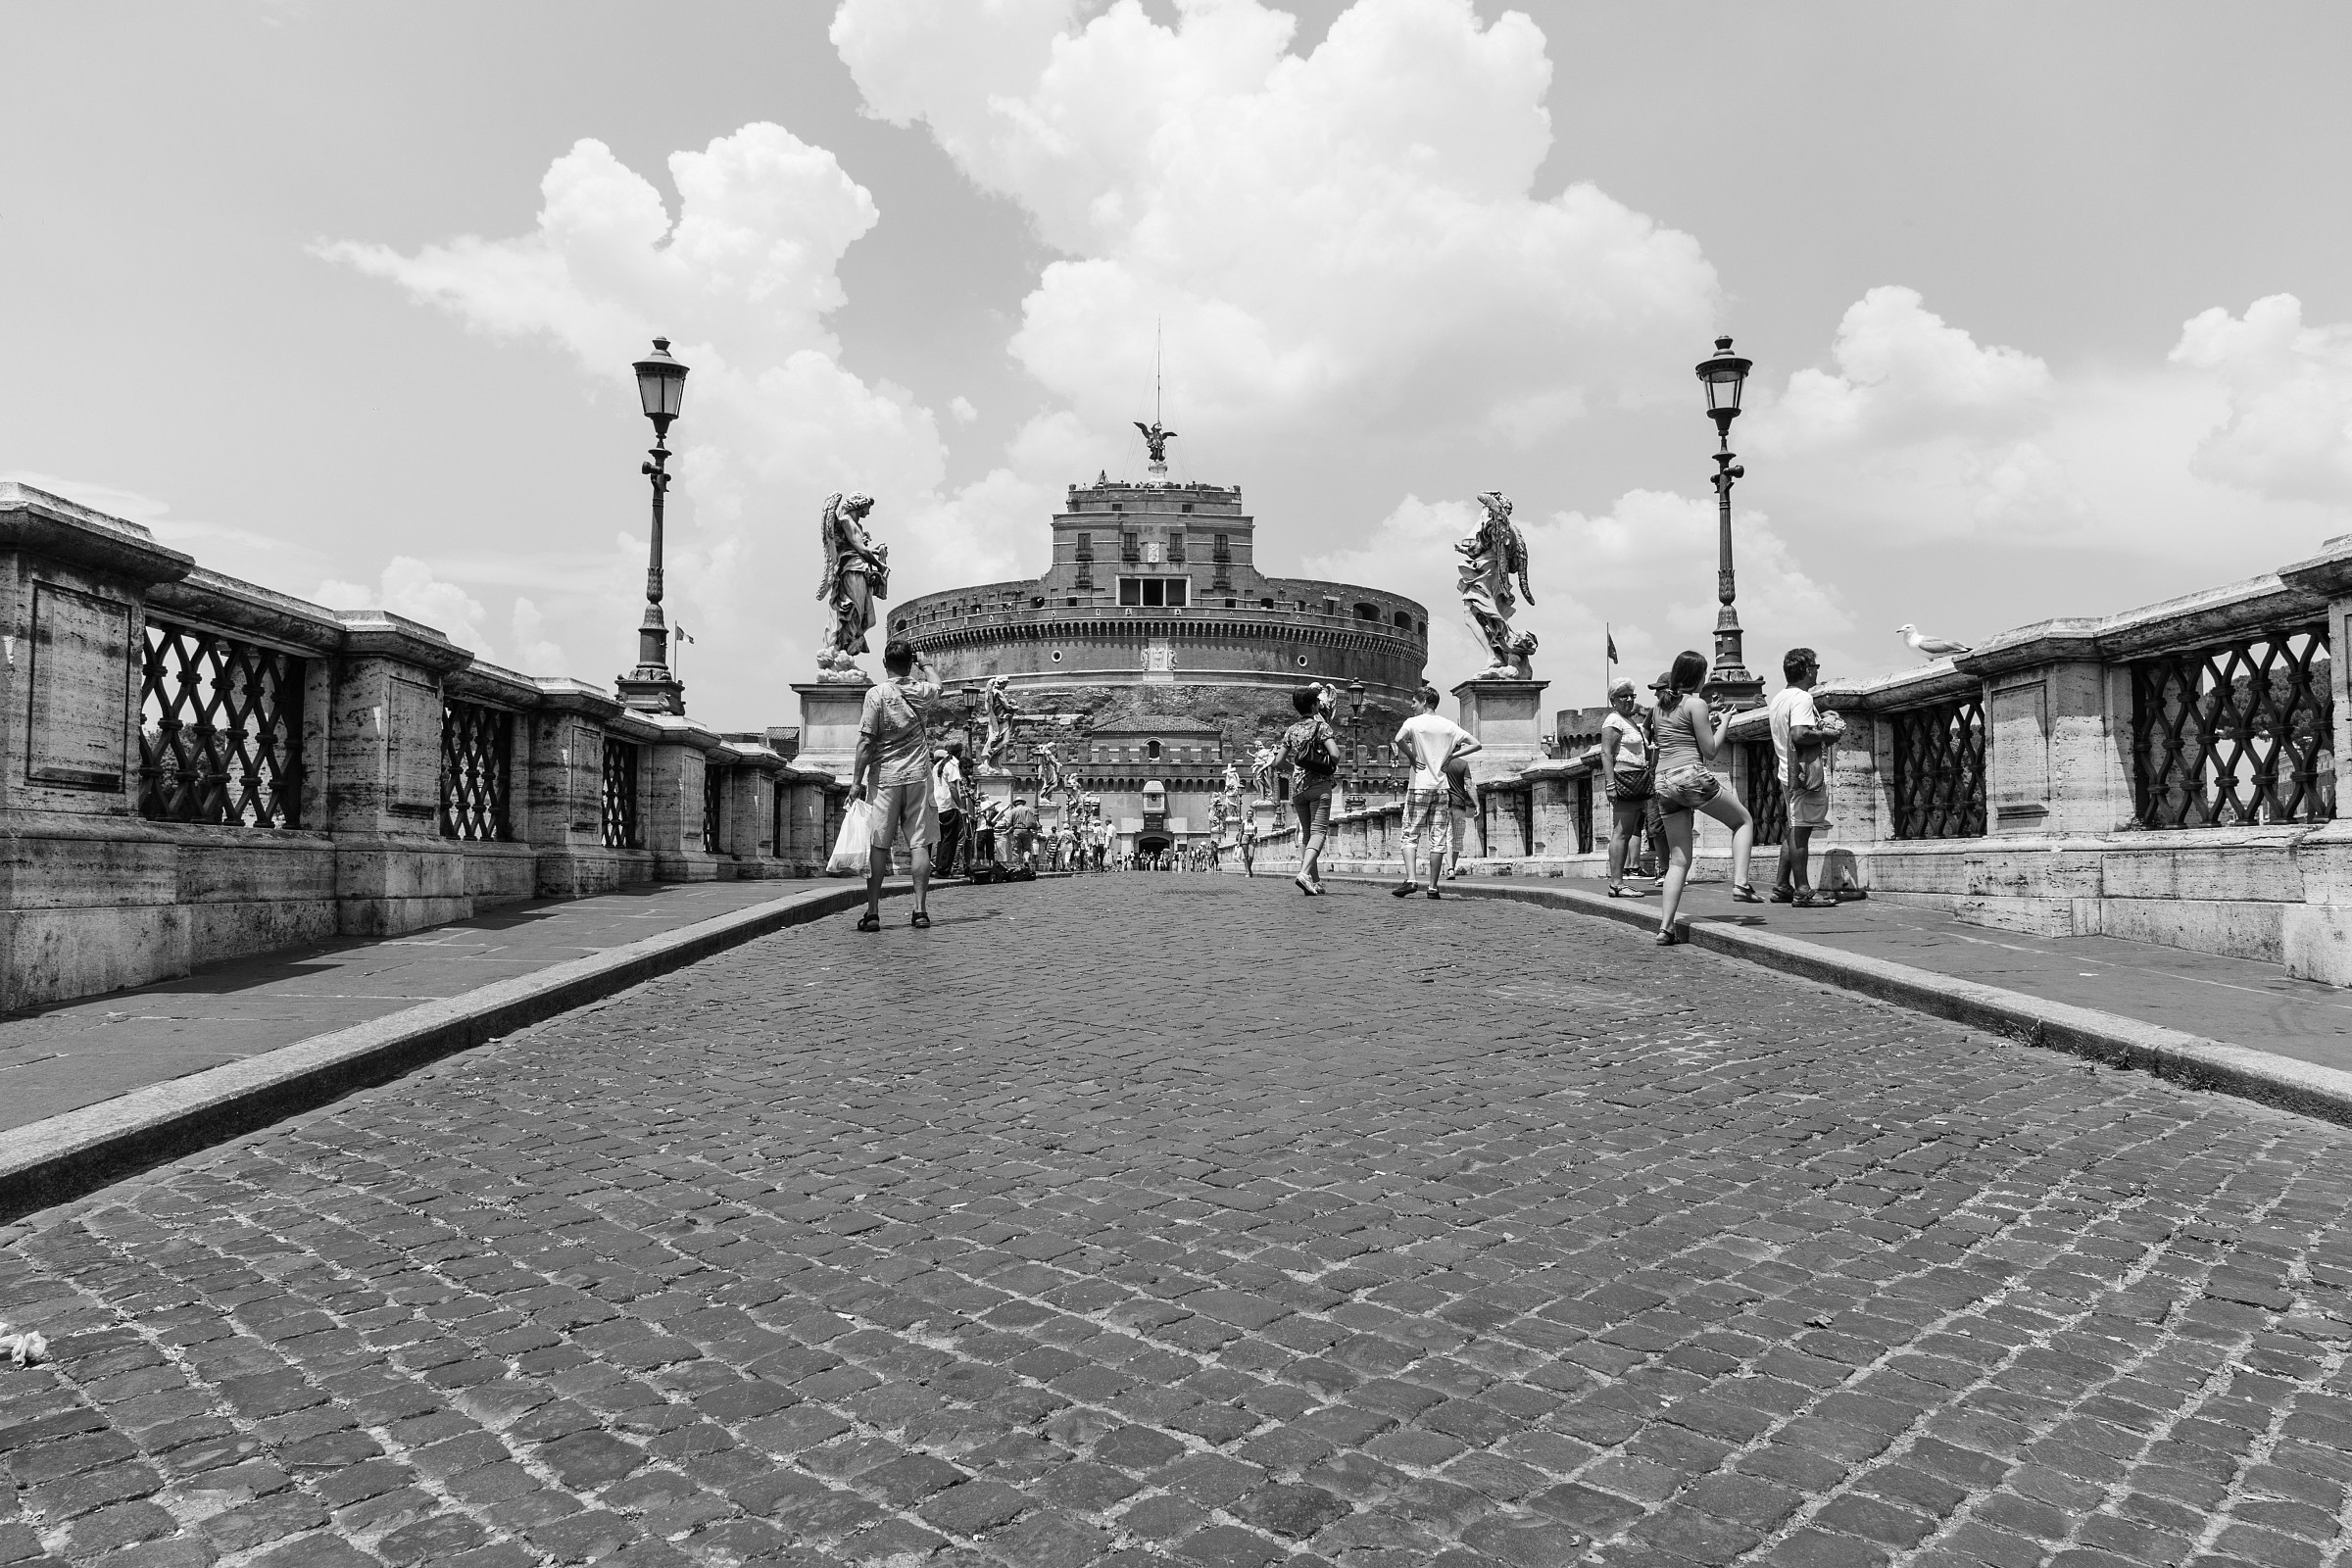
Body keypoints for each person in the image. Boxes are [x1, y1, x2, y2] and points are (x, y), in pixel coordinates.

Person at [1651, 649, 1761, 946]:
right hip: (1690, 777)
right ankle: (1741, 883)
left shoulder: (1659, 707)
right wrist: (1724, 721)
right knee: (1743, 821)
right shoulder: (1696, 703)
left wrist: (1708, 721)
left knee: (1677, 860)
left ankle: (1666, 927)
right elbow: (1710, 751)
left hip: (1663, 781)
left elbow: (1680, 734)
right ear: (1698, 677)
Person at [851, 639, 941, 931]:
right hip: (918, 777)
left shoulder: (877, 694)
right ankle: (920, 910)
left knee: (878, 846)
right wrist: (925, 664)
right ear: (910, 664)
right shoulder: (923, 690)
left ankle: (874, 911)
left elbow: (866, 741)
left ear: (884, 664)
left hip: (885, 778)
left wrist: (855, 782)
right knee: (919, 844)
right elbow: (938, 684)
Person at [1393, 684, 1479, 899]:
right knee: (1438, 838)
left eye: (1414, 702)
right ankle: (1432, 887)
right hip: (1442, 789)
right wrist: (1451, 756)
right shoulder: (1448, 726)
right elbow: (1476, 744)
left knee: (1410, 835)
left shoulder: (1413, 722)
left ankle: (1411, 879)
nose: (1412, 706)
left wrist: (1412, 757)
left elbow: (1397, 739)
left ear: (1424, 702)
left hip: (1419, 787)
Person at [1768, 648, 1836, 906]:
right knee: (1801, 831)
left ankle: (1782, 886)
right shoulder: (1803, 699)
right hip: (1805, 774)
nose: (1818, 670)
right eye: (1816, 666)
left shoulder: (1778, 698)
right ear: (1807, 670)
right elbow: (1799, 733)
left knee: (1793, 826)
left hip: (1787, 771)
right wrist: (1826, 735)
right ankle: (1803, 890)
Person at [1279, 684, 1343, 895]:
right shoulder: (1321, 727)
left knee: (1307, 835)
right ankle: (1304, 873)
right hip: (1319, 785)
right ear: (1315, 705)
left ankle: (1314, 881)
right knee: (1318, 833)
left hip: (1298, 789)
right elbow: (1335, 755)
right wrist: (1325, 767)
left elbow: (1278, 761)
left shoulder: (1291, 730)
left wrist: (1295, 769)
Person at [1599, 678, 1654, 898]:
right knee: (1621, 833)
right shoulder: (1613, 720)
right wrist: (1611, 784)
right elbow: (1606, 753)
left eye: (1632, 695)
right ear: (1613, 699)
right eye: (1624, 696)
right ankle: (1616, 883)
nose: (1629, 699)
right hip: (1625, 779)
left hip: (1636, 779)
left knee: (1627, 831)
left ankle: (1618, 882)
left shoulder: (1628, 720)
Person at [932, 739, 968, 879]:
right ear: (959, 752)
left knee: (942, 839)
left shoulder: (938, 765)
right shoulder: (952, 765)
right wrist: (961, 807)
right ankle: (944, 870)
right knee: (950, 840)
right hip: (949, 806)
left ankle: (939, 867)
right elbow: (953, 787)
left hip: (938, 805)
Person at [1006, 796, 1040, 873]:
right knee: (1027, 848)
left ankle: (1017, 866)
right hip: (1026, 831)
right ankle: (1026, 860)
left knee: (1016, 850)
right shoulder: (1028, 809)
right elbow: (1033, 820)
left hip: (1016, 831)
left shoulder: (1013, 811)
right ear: (1022, 803)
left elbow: (1009, 823)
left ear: (1016, 803)